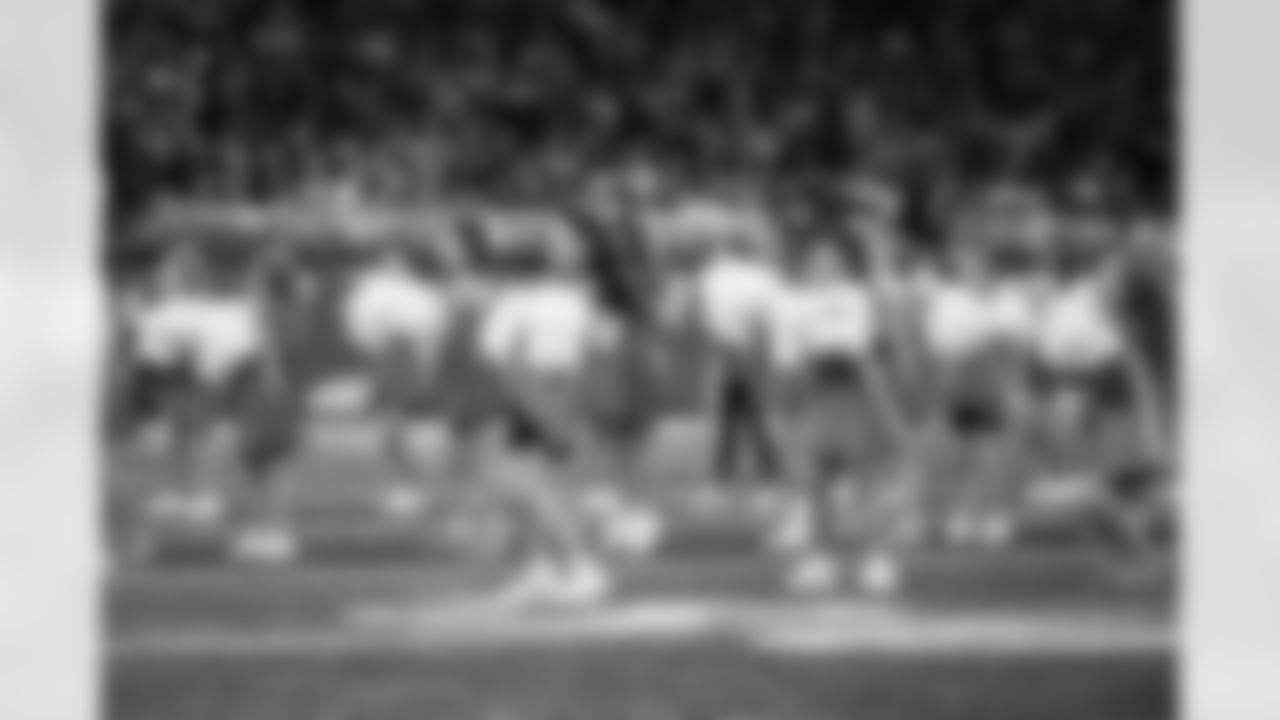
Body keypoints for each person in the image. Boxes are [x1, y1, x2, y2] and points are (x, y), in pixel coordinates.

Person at [472, 228, 622, 605]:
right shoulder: (573, 301)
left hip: (529, 392)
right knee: (522, 485)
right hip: (563, 390)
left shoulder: (515, 304)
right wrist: (566, 406)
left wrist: (539, 408)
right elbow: (603, 345)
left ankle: (579, 567)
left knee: (527, 487)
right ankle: (540, 569)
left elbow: (503, 361)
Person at [770, 239, 912, 595]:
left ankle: (877, 559)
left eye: (831, 262)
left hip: (858, 390)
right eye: (816, 262)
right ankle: (821, 559)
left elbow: (877, 346)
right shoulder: (792, 303)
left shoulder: (861, 298)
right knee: (816, 481)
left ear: (843, 267)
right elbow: (787, 357)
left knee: (868, 482)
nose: (823, 269)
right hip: (816, 392)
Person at [340, 242, 453, 519]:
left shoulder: (419, 294)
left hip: (406, 358)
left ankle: (409, 488)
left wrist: (426, 365)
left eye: (398, 262)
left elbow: (431, 330)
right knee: (392, 429)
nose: (393, 267)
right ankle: (406, 487)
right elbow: (361, 327)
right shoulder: (379, 292)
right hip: (392, 358)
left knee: (397, 430)